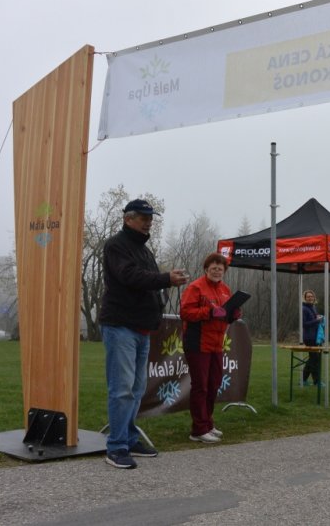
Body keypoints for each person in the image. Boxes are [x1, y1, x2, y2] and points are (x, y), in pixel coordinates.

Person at [99, 198, 189, 469]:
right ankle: (116, 447)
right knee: (122, 389)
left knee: (136, 389)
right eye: (143, 217)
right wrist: (165, 279)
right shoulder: (116, 245)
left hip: (141, 328)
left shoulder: (144, 250)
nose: (148, 222)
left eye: (150, 218)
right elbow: (130, 277)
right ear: (128, 219)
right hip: (120, 327)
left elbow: (149, 284)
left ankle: (129, 438)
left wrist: (163, 288)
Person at [180, 252, 241, 444]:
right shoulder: (195, 287)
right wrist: (209, 312)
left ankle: (207, 423)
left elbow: (225, 314)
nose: (217, 271)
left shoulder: (225, 289)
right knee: (201, 386)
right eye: (213, 268)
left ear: (224, 271)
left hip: (217, 343)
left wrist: (233, 314)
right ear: (206, 269)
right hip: (197, 342)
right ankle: (198, 429)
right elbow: (185, 312)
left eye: (220, 269)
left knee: (214, 384)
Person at [301, 289, 323, 386]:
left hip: (316, 337)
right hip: (309, 337)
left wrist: (318, 318)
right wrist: (317, 320)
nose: (310, 298)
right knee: (314, 359)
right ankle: (315, 381)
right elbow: (304, 324)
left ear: (314, 298)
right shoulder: (304, 309)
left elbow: (314, 320)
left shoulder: (313, 307)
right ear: (305, 298)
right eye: (308, 297)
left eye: (311, 296)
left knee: (314, 359)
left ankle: (304, 380)